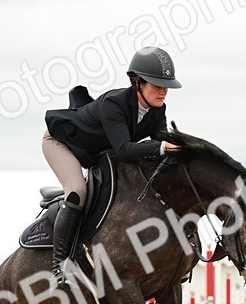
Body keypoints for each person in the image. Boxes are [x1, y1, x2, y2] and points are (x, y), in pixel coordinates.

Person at [42, 46, 183, 283]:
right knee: (78, 190)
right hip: (61, 142)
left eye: (166, 87)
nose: (163, 92)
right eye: (157, 86)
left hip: (96, 151)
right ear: (137, 83)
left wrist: (185, 147)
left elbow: (162, 140)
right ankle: (60, 264)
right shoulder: (114, 104)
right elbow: (125, 150)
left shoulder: (158, 110)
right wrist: (162, 148)